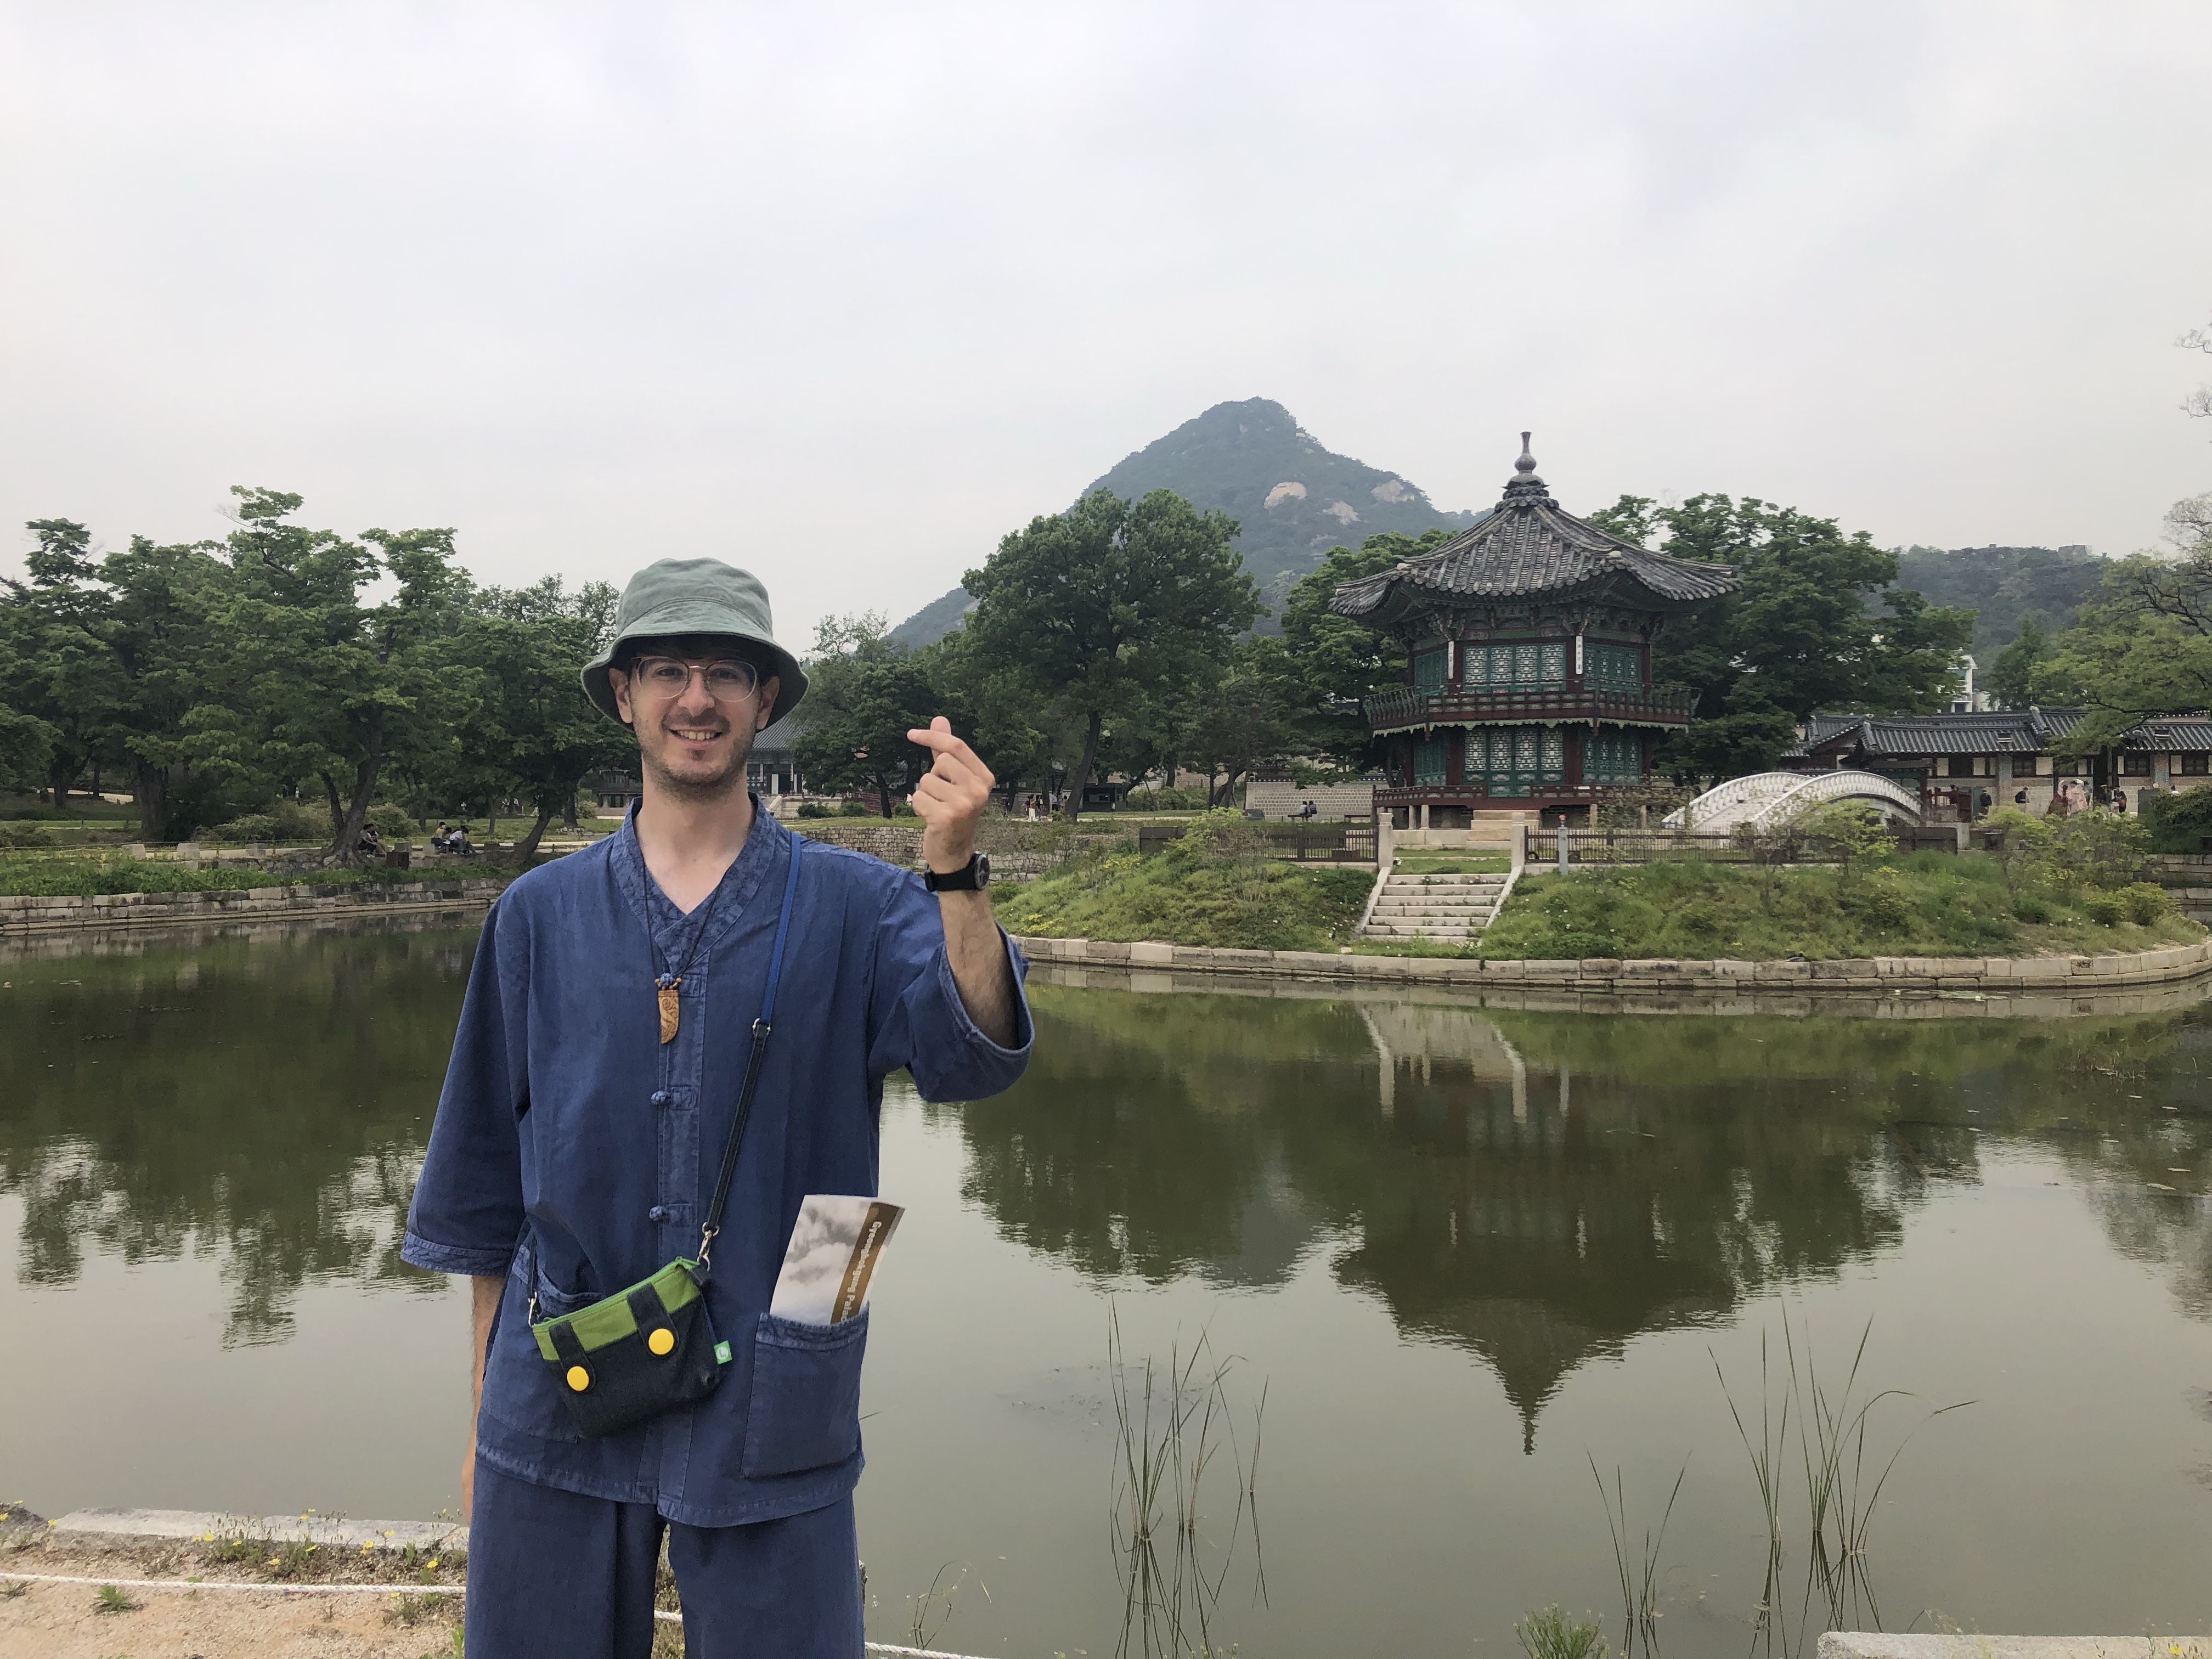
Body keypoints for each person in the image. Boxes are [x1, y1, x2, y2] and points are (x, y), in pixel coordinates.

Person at [400, 558, 1031, 1658]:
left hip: (784, 1364)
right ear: (623, 694)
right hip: (560, 1374)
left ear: (765, 698)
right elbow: (483, 1184)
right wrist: (479, 1417)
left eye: (727, 674)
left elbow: (974, 1057)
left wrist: (955, 874)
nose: (697, 699)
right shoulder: (538, 914)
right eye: (668, 671)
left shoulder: (862, 902)